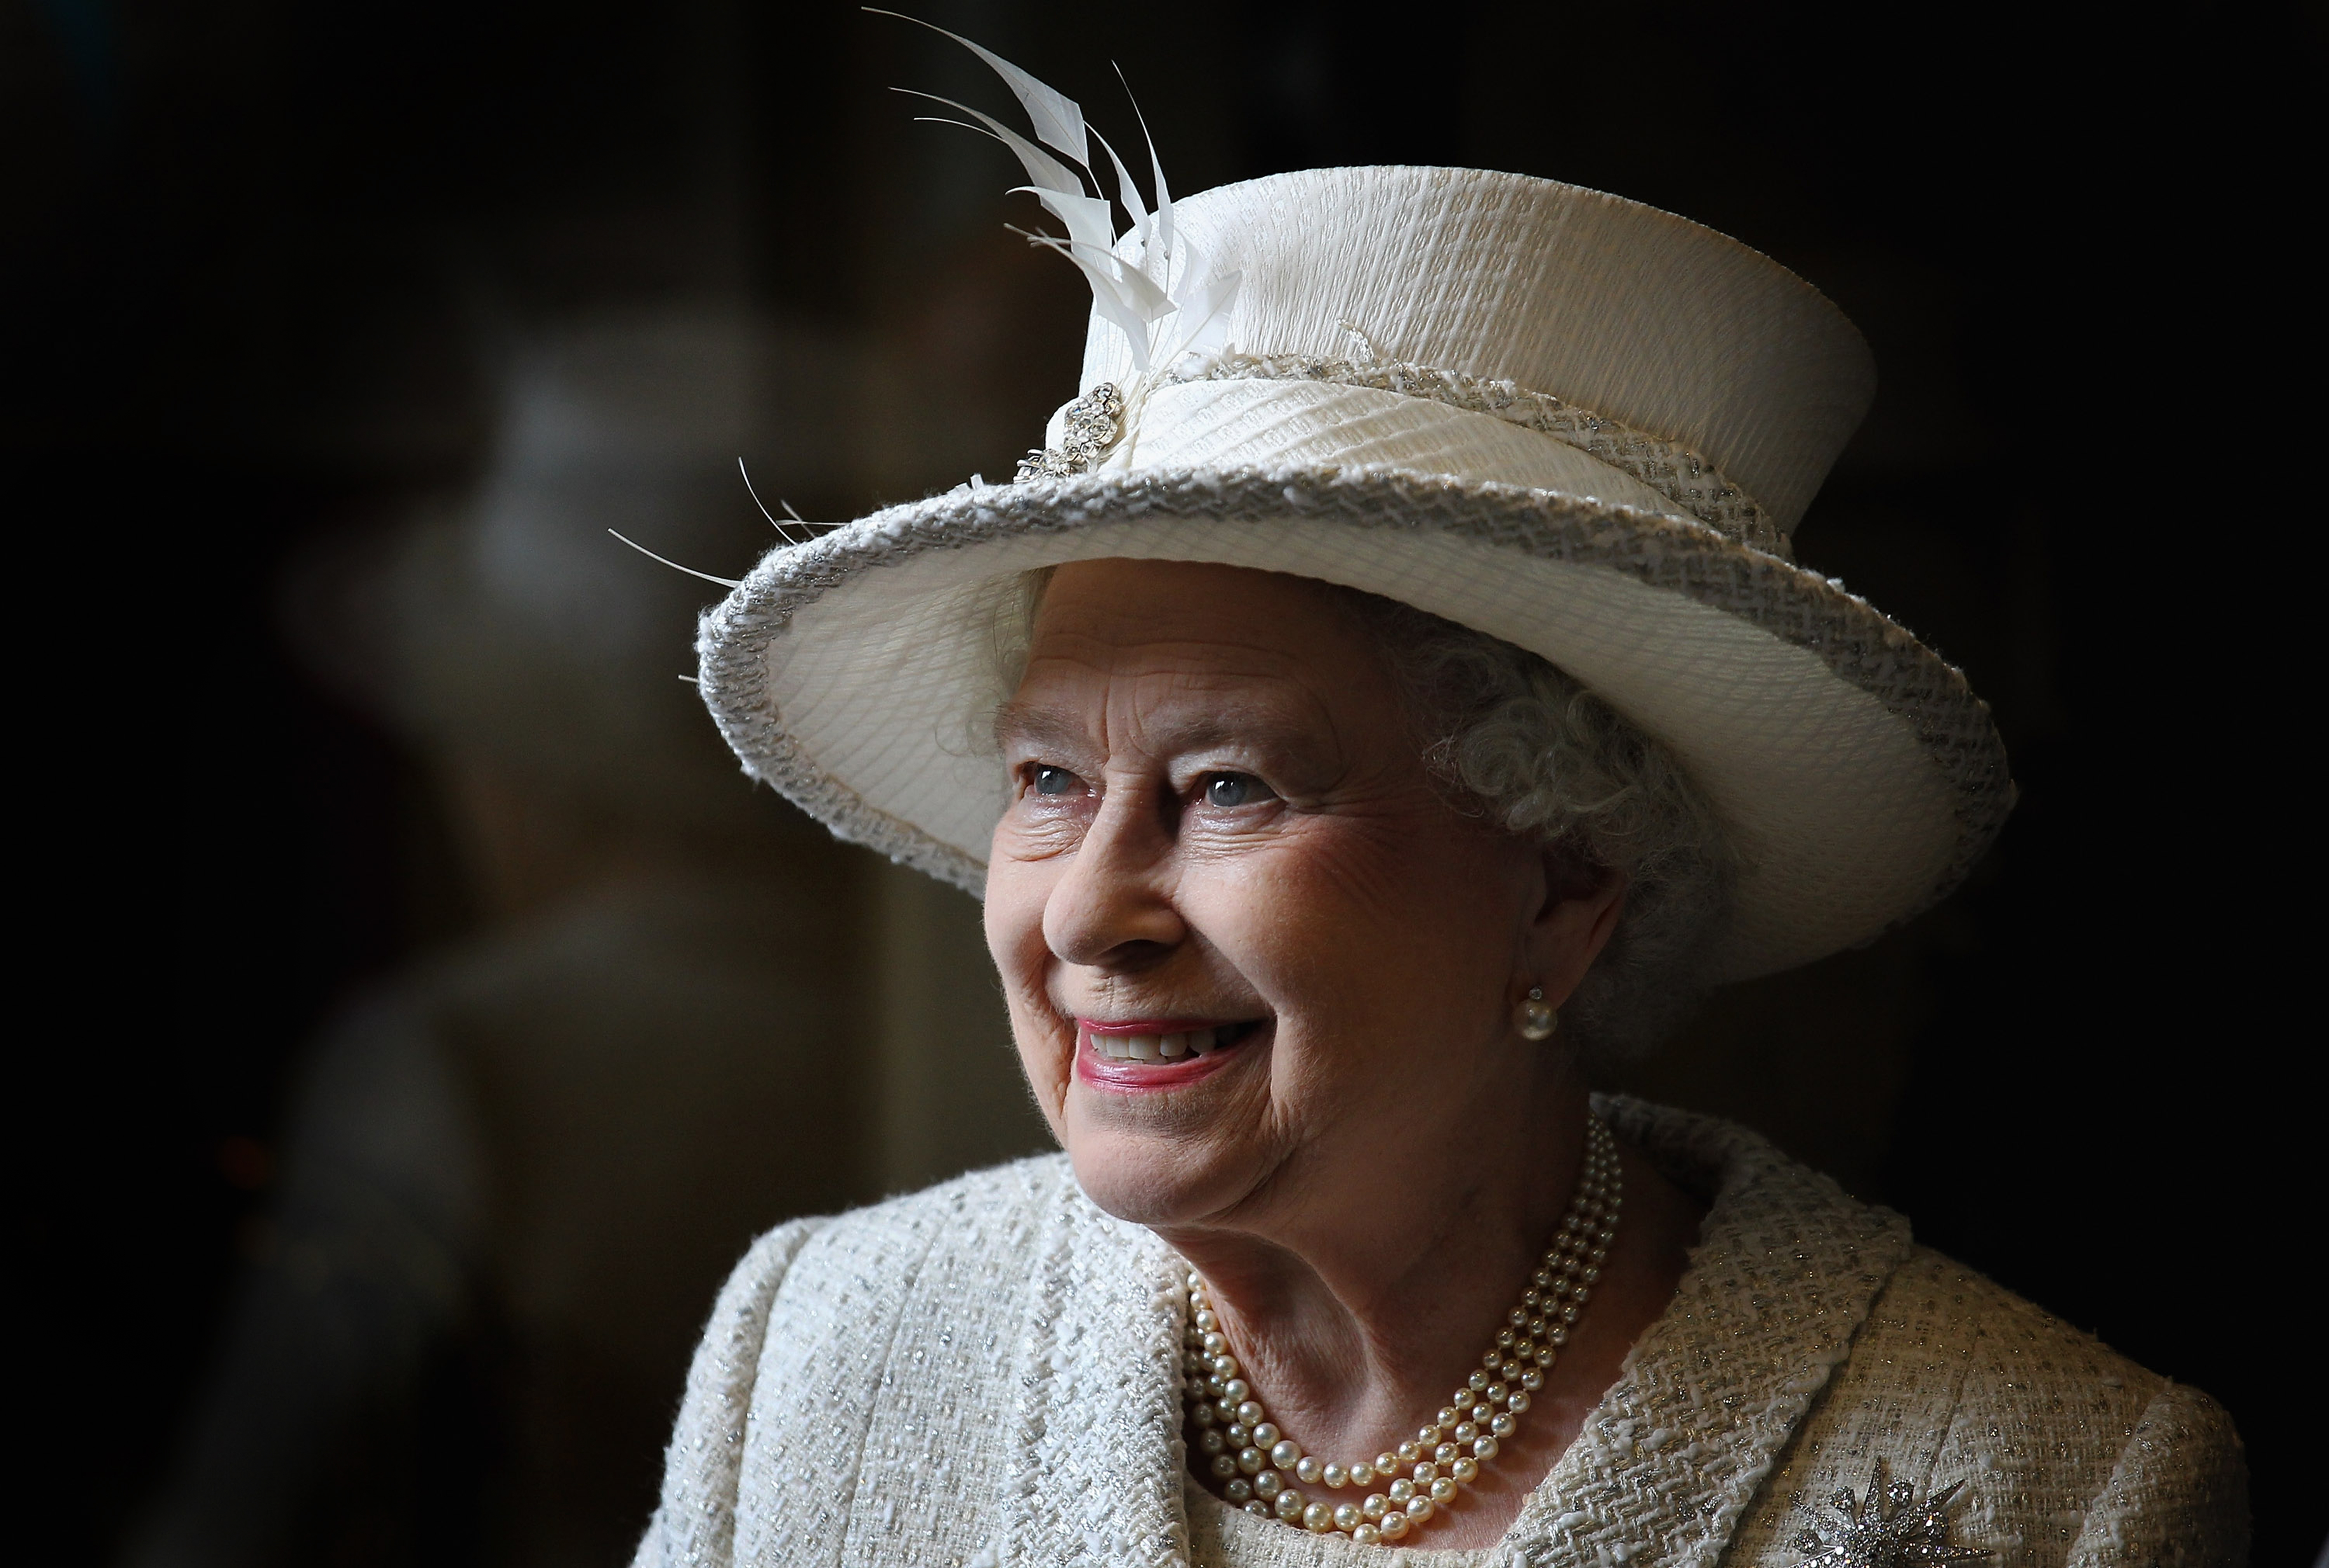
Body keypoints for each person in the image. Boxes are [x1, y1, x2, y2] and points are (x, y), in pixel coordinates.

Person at [633, 35, 2247, 1568]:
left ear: (1561, 881)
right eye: (1049, 780)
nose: (1084, 910)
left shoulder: (2062, 1487)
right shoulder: (828, 1345)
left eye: (1226, 787)